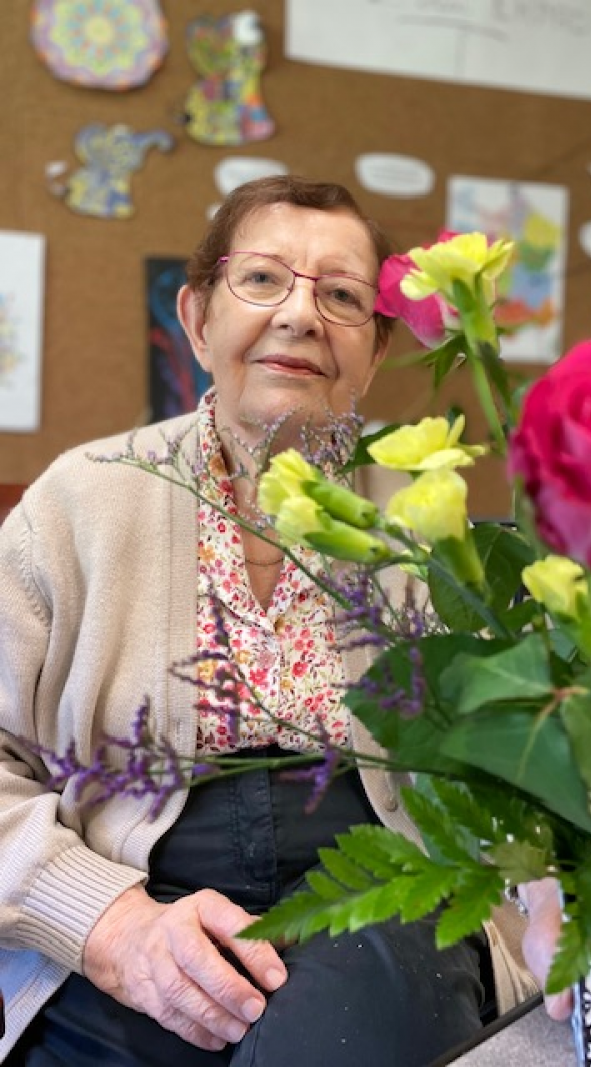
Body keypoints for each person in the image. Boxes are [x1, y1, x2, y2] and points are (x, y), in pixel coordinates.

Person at [0, 175, 548, 1066]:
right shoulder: (78, 506)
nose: (300, 315)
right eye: (262, 279)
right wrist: (107, 921)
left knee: (366, 1004)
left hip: (380, 909)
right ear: (198, 316)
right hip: (136, 909)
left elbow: (506, 799)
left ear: (372, 352)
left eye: (341, 295)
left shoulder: (424, 543)